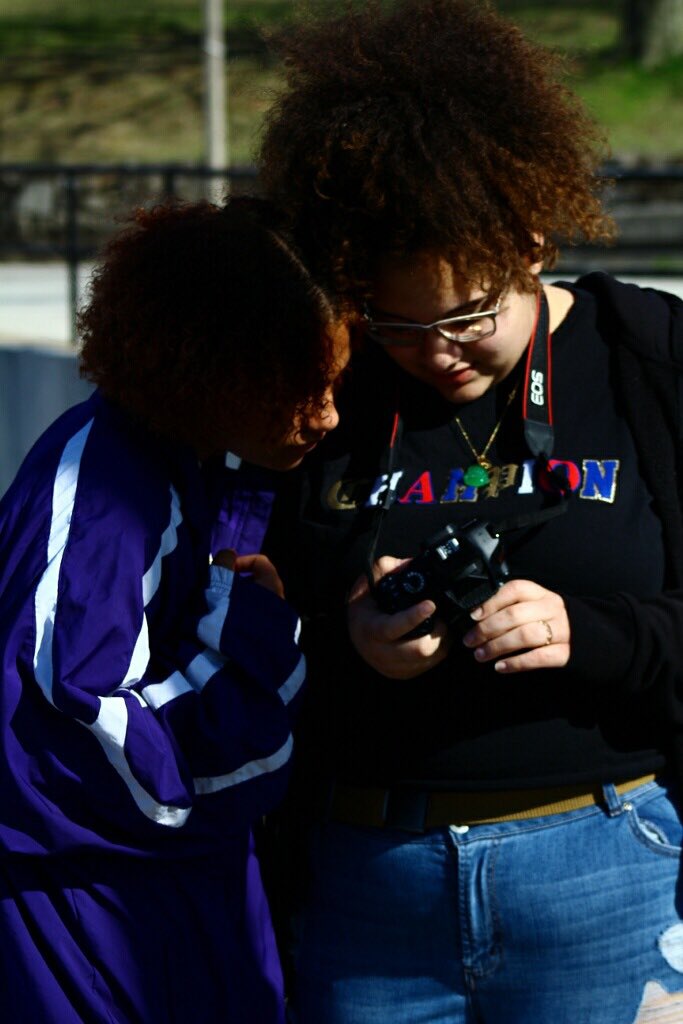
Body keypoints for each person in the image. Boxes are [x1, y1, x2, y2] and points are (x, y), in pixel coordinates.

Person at [257, 1, 683, 1021]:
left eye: (463, 317)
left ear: (528, 238)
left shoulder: (647, 358)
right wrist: (343, 627)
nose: (432, 352)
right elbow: (246, 609)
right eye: (392, 322)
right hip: (367, 883)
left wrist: (591, 634)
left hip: (603, 868)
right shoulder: (328, 387)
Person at [0, 196, 349, 1024]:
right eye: (301, 387)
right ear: (215, 369)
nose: (327, 415)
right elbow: (59, 754)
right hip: (95, 931)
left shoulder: (183, 458)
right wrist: (249, 639)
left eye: (335, 382)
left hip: (165, 904)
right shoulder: (107, 495)